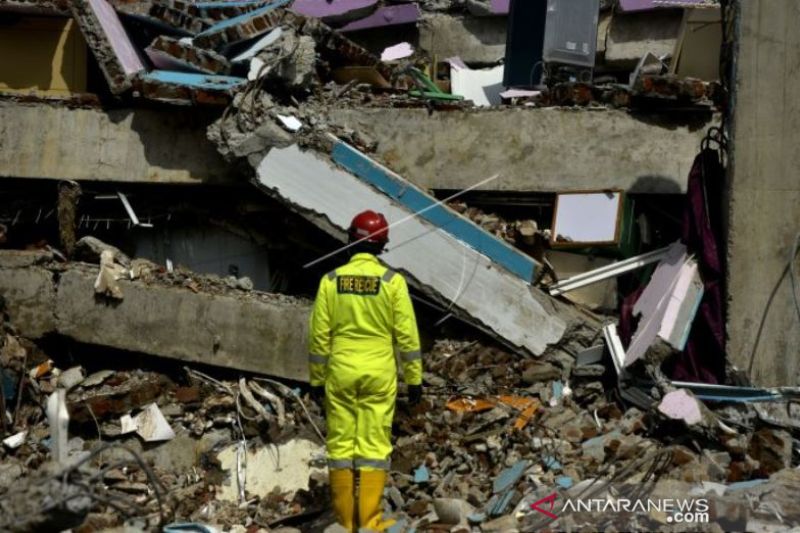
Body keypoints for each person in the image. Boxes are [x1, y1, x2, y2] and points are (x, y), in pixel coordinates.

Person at [308, 209, 422, 532]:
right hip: (379, 375)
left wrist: (317, 379)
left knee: (342, 448)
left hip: (341, 373)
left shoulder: (330, 282)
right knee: (373, 448)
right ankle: (370, 522)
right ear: (382, 245)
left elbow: (318, 337)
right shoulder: (392, 282)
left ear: (350, 241)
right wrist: (414, 379)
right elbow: (407, 336)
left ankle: (345, 522)